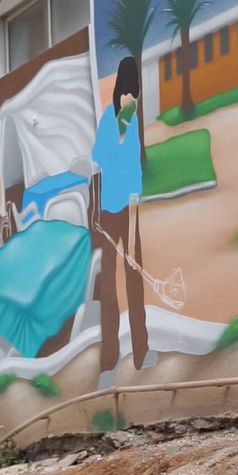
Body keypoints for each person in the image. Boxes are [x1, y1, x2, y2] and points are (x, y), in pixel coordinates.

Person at [90, 56, 149, 387]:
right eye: (132, 93)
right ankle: (110, 363)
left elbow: (128, 167)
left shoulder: (127, 118)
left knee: (134, 281)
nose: (133, 99)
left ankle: (140, 352)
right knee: (113, 288)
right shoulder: (115, 120)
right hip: (115, 209)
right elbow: (101, 157)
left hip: (128, 208)